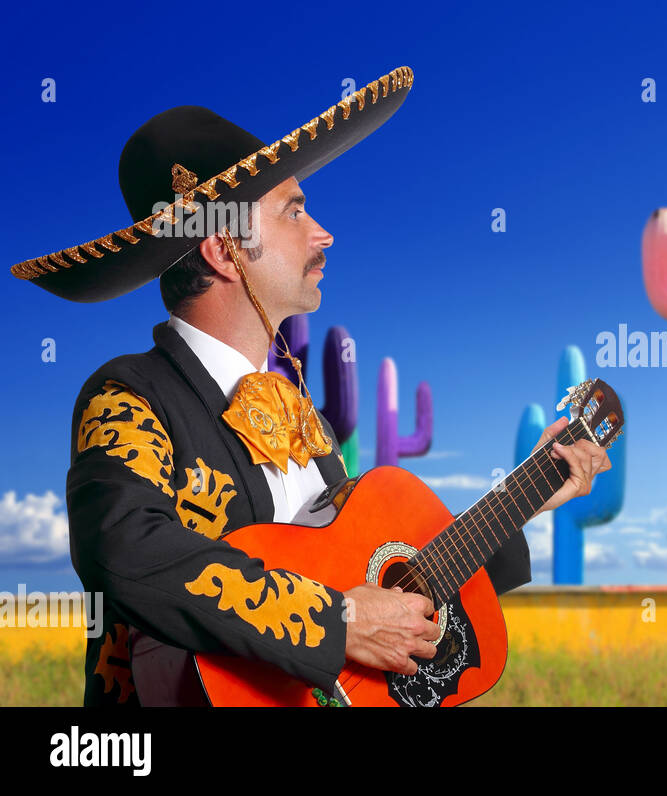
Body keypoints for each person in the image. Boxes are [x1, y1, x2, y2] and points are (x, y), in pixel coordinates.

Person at [10, 66, 612, 706]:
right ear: (224, 251)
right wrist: (337, 623)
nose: (323, 234)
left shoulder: (308, 420)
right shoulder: (128, 394)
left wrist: (532, 494)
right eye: (294, 210)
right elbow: (126, 548)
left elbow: (381, 586)